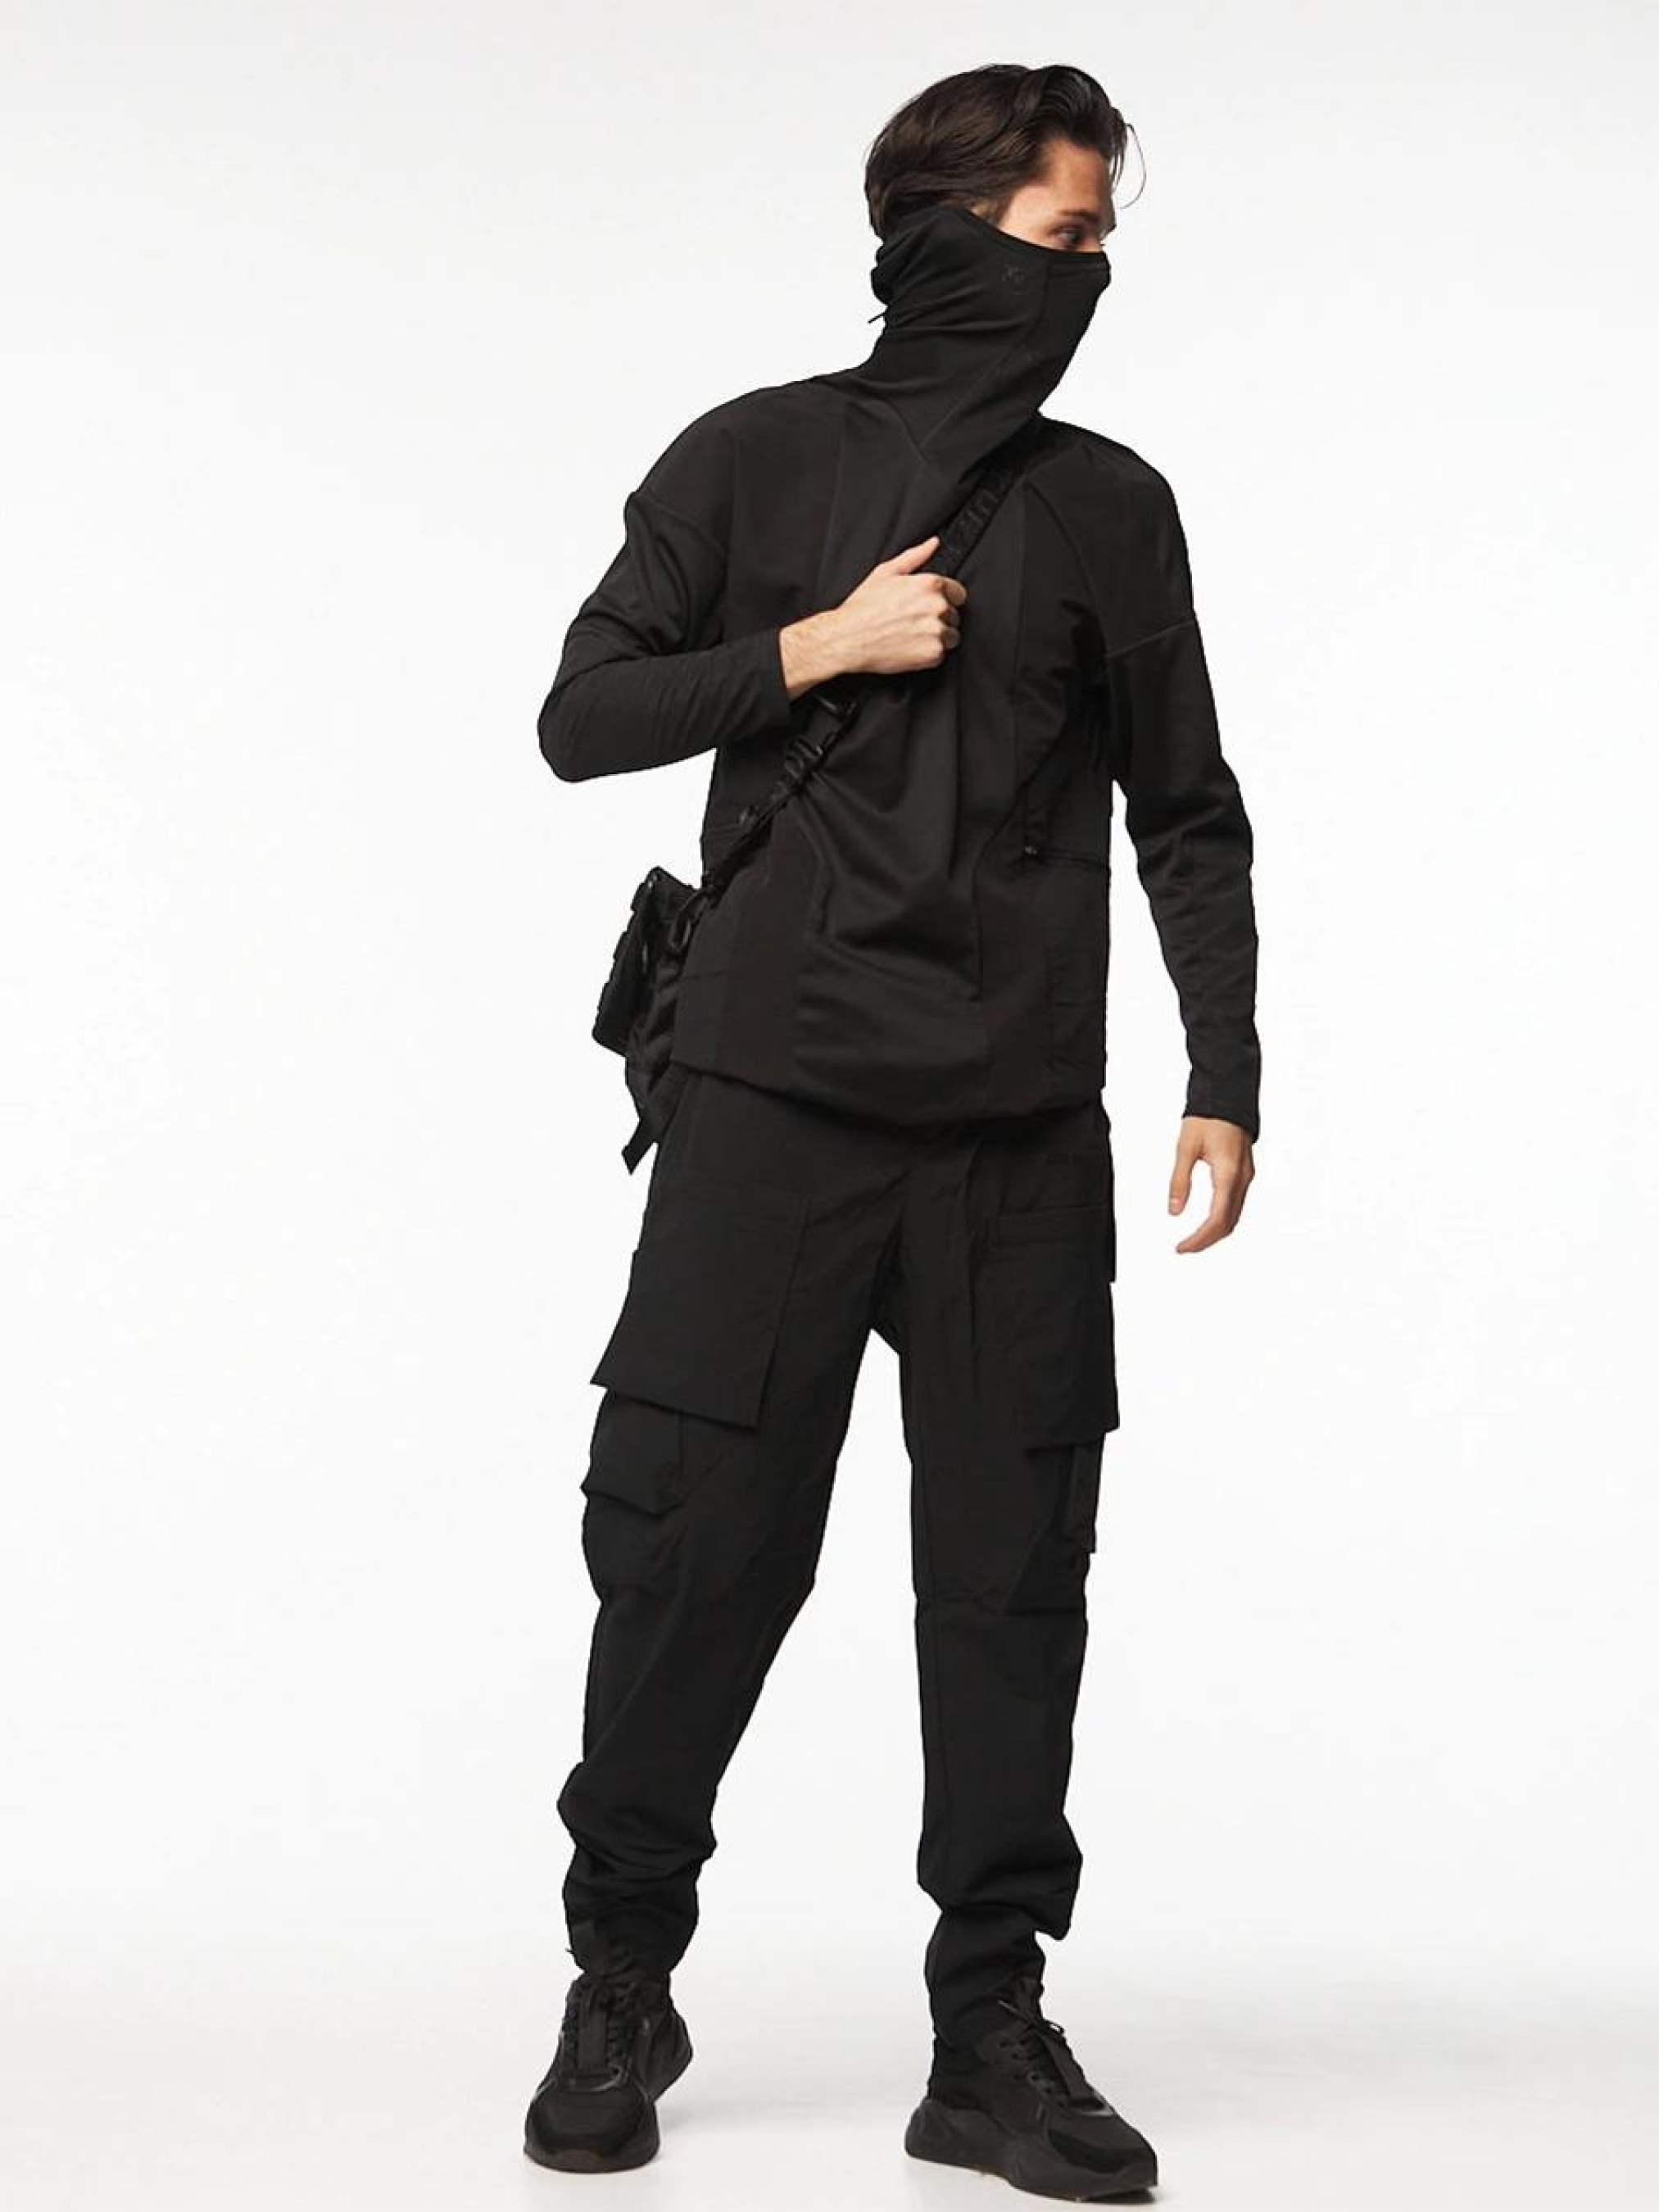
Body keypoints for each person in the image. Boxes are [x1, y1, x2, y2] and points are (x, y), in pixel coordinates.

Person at [523, 61, 1260, 2201]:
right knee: (691, 1556)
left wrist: (1224, 1067)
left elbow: (1186, 808)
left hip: (1017, 1134)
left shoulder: (1111, 507)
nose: (1090, 278)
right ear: (943, 236)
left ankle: (988, 2033)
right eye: (1063, 237)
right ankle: (620, 1975)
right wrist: (813, 645)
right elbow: (581, 715)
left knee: (1012, 1580)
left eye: (1103, 244)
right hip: (767, 1109)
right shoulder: (752, 457)